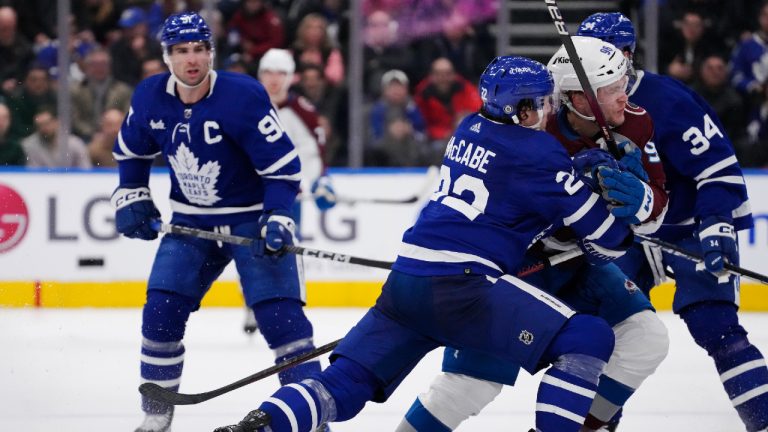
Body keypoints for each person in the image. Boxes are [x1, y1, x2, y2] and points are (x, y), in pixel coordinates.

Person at [215, 56, 636, 432]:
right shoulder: (540, 151)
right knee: (588, 336)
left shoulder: (468, 127)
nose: (547, 112)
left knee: (341, 387)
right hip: (465, 289)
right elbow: (609, 241)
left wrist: (568, 173)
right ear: (522, 108)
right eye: (541, 103)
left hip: (406, 283)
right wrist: (602, 183)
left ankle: (261, 423)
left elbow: (512, 182)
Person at [395, 36, 670, 432]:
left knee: (645, 338)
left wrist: (643, 202)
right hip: (515, 264)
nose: (625, 98)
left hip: (577, 265)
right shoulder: (526, 131)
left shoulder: (636, 121)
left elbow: (656, 208)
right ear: (579, 98)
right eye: (613, 89)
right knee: (472, 383)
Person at [110, 12, 324, 432]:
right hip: (191, 222)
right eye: (181, 51)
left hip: (249, 221)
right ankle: (156, 414)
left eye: (200, 49)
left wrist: (278, 216)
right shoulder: (150, 95)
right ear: (166, 56)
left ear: (212, 52)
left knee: (284, 325)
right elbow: (131, 150)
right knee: (160, 313)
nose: (192, 59)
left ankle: (311, 419)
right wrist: (131, 192)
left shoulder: (243, 96)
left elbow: (282, 169)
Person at [578, 12, 767, 432]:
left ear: (627, 55)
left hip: (686, 227)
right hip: (624, 236)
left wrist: (716, 226)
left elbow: (716, 170)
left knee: (716, 328)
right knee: (602, 336)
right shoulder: (573, 103)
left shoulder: (668, 100)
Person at [239, 48, 337, 335]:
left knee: (289, 252)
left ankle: (293, 307)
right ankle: (251, 305)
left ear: (290, 76)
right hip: (250, 196)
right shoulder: (246, 107)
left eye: (280, 73)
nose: (274, 79)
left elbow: (313, 153)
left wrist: (320, 180)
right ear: (260, 74)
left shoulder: (303, 111)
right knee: (249, 251)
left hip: (287, 197)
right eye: (268, 72)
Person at [22, 106, 91, 168]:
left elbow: (85, 170)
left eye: (47, 123)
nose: (44, 128)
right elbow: (31, 175)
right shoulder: (29, 146)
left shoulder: (75, 144)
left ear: (57, 122)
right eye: (40, 125)